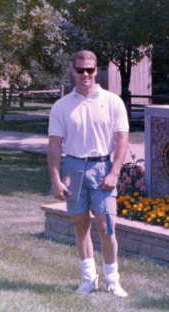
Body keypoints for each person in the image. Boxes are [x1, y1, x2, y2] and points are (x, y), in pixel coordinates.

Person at [47, 50, 130, 297]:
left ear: (96, 71)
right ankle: (88, 279)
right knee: (80, 226)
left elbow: (122, 139)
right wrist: (55, 178)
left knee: (107, 227)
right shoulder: (61, 106)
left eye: (90, 70)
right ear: (72, 71)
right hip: (73, 168)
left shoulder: (112, 101)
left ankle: (112, 280)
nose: (85, 74)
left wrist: (115, 172)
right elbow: (54, 144)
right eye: (80, 70)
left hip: (102, 167)